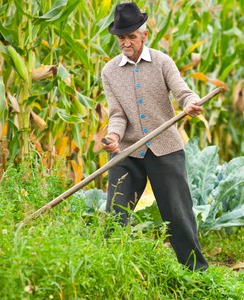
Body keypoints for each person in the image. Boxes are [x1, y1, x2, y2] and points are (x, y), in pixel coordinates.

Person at [101, 2, 208, 271]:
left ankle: (197, 272)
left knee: (177, 214)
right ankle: (109, 269)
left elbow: (183, 93)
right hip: (128, 151)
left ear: (144, 35)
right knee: (116, 214)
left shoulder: (162, 62)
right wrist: (113, 136)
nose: (126, 42)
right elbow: (117, 114)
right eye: (121, 38)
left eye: (131, 37)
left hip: (165, 148)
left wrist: (191, 103)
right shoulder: (110, 72)